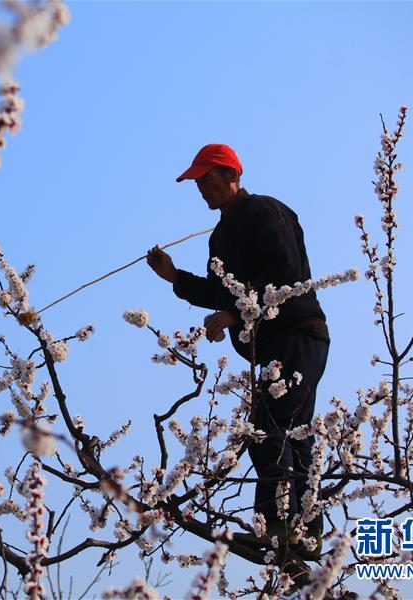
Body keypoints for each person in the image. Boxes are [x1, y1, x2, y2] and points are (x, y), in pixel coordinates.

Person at [145, 143, 329, 560]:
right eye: (196, 184)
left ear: (231, 175)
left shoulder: (267, 212)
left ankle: (280, 528)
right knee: (289, 432)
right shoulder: (220, 235)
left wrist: (232, 315)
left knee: (271, 429)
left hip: (296, 333)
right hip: (271, 345)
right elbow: (220, 290)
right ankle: (303, 536)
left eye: (205, 180)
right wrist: (174, 276)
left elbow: (285, 273)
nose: (201, 190)